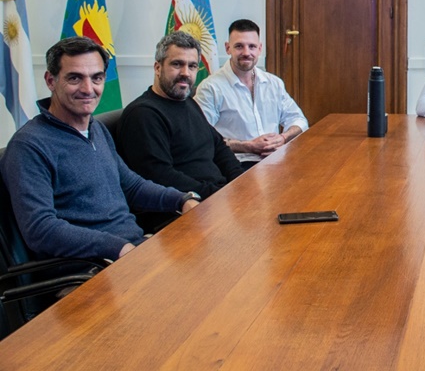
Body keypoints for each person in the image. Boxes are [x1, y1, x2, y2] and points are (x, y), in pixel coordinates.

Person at [0, 37, 200, 261]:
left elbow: (132, 186)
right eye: (75, 78)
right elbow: (40, 230)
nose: (88, 89)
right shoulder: (28, 146)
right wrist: (117, 247)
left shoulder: (96, 129)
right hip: (92, 267)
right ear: (50, 81)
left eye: (96, 78)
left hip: (132, 250)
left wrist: (183, 199)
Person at [117, 32, 243, 201]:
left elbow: (219, 147)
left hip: (217, 196)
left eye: (192, 66)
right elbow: (160, 177)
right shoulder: (143, 115)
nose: (186, 73)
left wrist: (240, 182)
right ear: (157, 68)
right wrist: (220, 195)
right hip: (187, 205)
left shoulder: (187, 102)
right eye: (177, 64)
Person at [195, 19, 309, 171]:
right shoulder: (211, 88)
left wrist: (283, 138)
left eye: (252, 46)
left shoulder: (273, 83)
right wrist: (247, 146)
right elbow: (201, 138)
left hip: (275, 161)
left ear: (259, 49)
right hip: (236, 164)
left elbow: (299, 120)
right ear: (228, 48)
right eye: (239, 46)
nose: (246, 53)